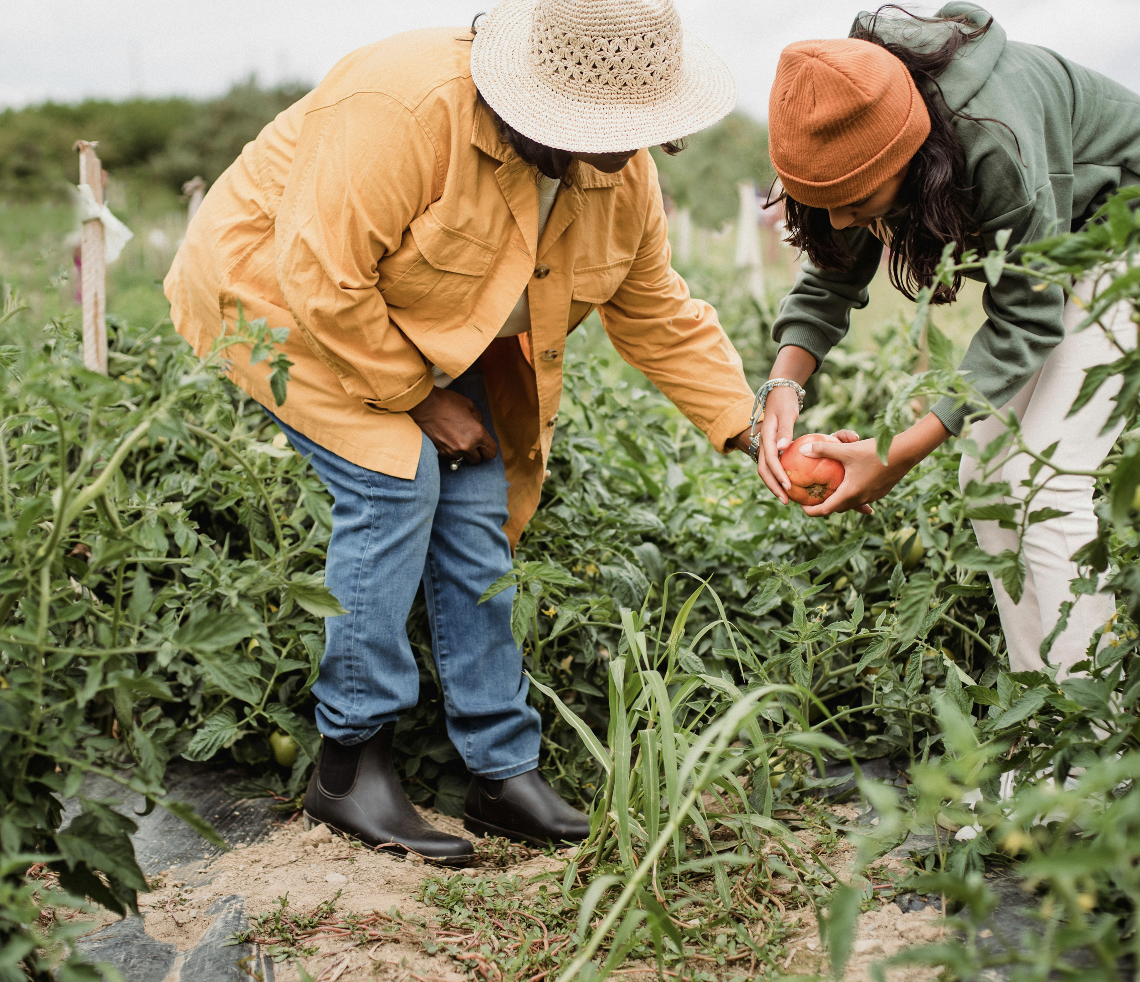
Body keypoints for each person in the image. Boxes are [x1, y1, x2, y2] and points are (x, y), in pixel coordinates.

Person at [164, 0, 761, 865]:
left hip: (427, 319)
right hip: (279, 302)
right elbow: (321, 280)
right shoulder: (405, 109)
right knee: (396, 478)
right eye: (606, 127)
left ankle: (500, 770)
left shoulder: (618, 172)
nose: (626, 150)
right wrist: (420, 397)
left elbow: (656, 310)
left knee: (476, 509)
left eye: (642, 128)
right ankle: (348, 762)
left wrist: (748, 428)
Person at [756, 1, 1140, 679]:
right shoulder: (849, 115)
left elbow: (1026, 317)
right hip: (1069, 249)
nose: (842, 218)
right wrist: (784, 385)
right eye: (825, 201)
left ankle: (1090, 759)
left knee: (1039, 483)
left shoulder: (996, 141)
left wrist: (896, 454)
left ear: (910, 150)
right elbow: (831, 276)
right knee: (988, 477)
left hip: (1123, 240)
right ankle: (1045, 739)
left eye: (857, 199)